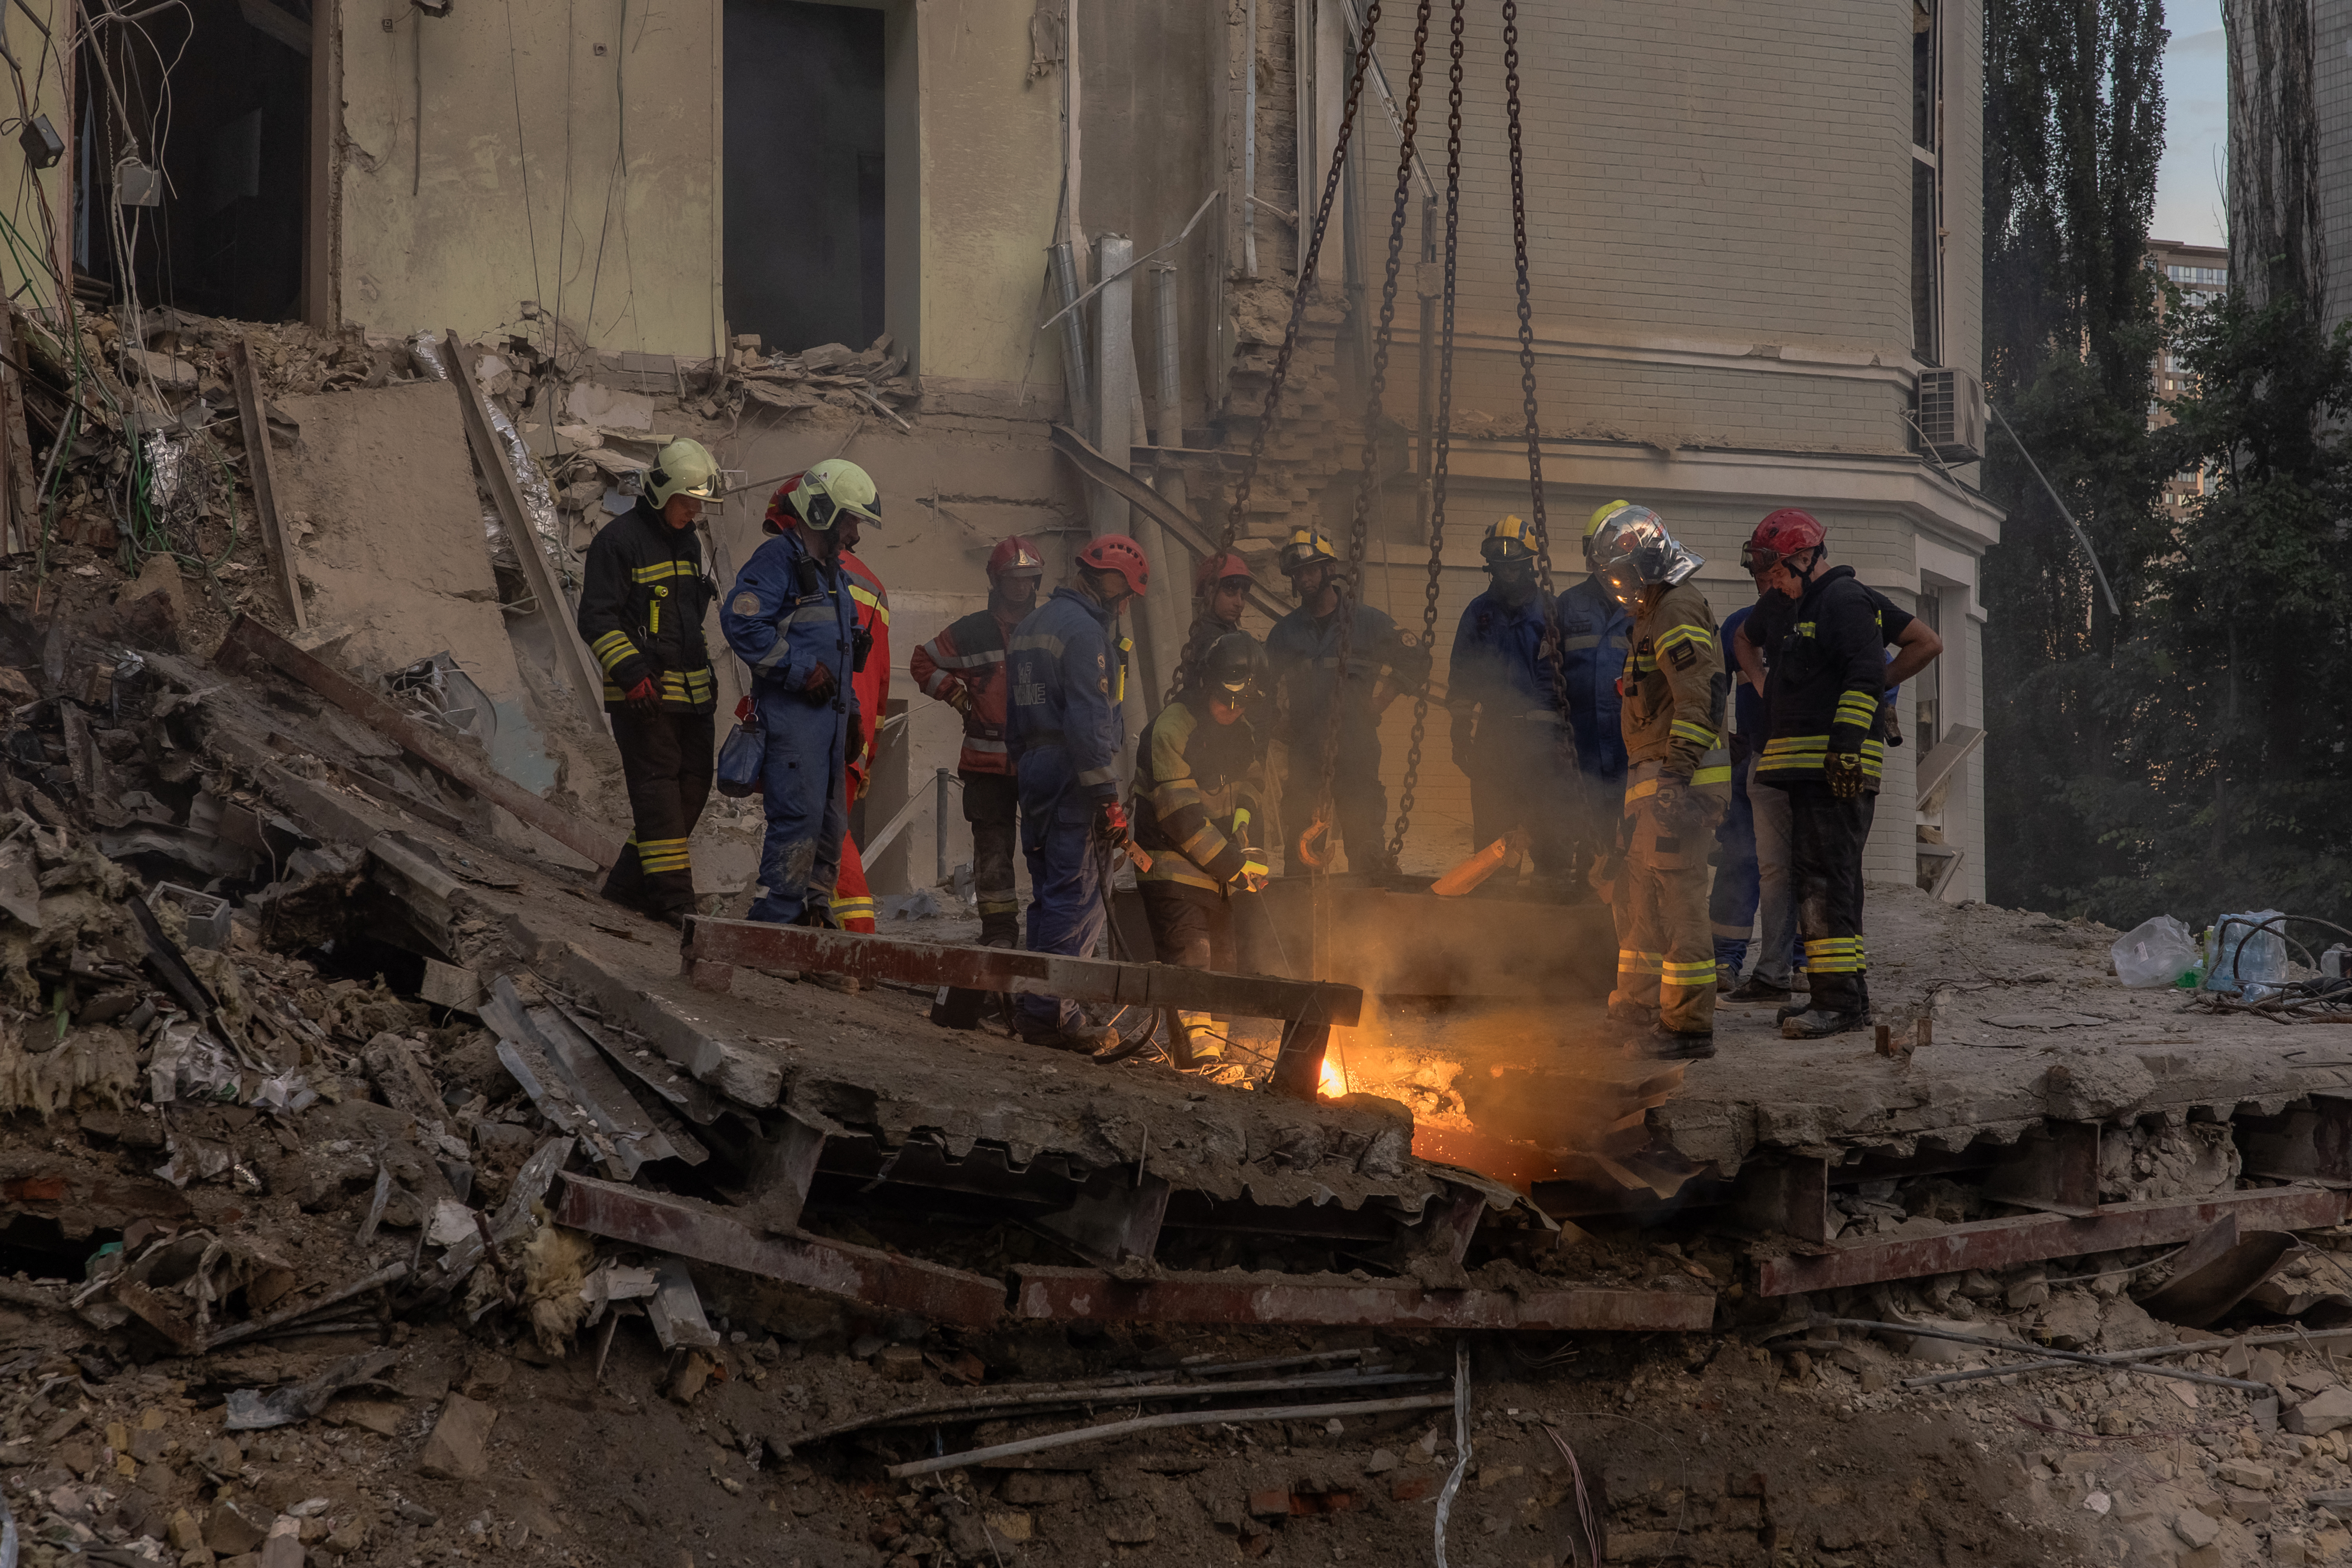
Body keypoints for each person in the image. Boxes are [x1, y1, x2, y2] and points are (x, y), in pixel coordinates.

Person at [1732, 510, 1943, 1008]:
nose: (1773, 584)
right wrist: (1768, 688)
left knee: (1829, 881)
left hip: (1837, 768)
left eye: (1779, 571)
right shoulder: (1789, 604)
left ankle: (1839, 1001)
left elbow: (1865, 675)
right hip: (1803, 769)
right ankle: (1840, 995)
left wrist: (1847, 746)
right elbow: (1748, 637)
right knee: (1819, 878)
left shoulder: (1846, 601)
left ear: (1806, 558)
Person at [1589, 502, 1733, 1059]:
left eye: (1622, 574)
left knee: (1679, 903)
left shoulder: (1676, 608)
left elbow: (1703, 695)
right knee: (1639, 901)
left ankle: (1688, 1026)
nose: (1617, 586)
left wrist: (1675, 778)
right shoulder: (1651, 613)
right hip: (1653, 785)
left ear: (1646, 561)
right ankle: (1637, 1007)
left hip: (1681, 787)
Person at [1004, 534, 1152, 1051]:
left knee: (1047, 892)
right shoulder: (1087, 636)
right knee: (1078, 894)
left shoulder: (1029, 627)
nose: (1128, 602)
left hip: (1035, 769)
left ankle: (1037, 1004)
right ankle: (1053, 1014)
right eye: (1127, 589)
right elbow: (1090, 724)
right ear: (1109, 582)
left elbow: (1012, 719)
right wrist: (1107, 799)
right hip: (1073, 772)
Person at [720, 459, 882, 927]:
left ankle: (812, 911)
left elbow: (846, 653)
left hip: (828, 725)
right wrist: (797, 670)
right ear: (825, 514)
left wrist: (851, 715)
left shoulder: (833, 575)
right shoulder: (777, 562)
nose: (855, 534)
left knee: (830, 825)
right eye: (851, 521)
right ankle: (775, 921)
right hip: (794, 721)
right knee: (797, 820)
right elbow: (743, 623)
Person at [578, 437, 723, 926]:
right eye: (688, 501)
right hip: (644, 698)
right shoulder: (617, 543)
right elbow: (597, 618)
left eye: (700, 503)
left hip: (692, 697)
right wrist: (634, 674)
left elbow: (690, 618)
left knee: (693, 788)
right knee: (658, 793)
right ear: (661, 494)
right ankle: (674, 900)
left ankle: (626, 887)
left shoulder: (689, 543)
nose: (695, 511)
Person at [1132, 631, 1267, 1068]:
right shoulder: (1171, 728)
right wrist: (1234, 865)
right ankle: (1201, 1063)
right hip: (1170, 866)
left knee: (1224, 963)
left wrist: (1245, 824)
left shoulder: (1241, 731)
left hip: (1217, 872)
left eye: (1243, 704)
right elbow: (1181, 818)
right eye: (1227, 702)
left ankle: (1208, 1057)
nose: (1234, 711)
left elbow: (1251, 783)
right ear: (1208, 686)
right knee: (1193, 959)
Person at [1264, 528, 1427, 873]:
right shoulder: (1284, 633)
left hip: (1356, 748)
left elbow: (1417, 659)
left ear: (1329, 569)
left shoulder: (1368, 623)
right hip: (1306, 753)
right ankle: (1300, 921)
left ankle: (1367, 918)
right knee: (1302, 848)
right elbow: (1263, 687)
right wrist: (1277, 724)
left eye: (1311, 570)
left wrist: (1382, 700)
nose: (1304, 579)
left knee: (1365, 838)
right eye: (1297, 573)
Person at [910, 537, 1044, 947]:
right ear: (996, 580)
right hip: (986, 766)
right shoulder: (971, 631)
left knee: (1047, 850)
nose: (1021, 588)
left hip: (1040, 763)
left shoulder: (1049, 627)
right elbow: (922, 661)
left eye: (1027, 579)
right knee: (993, 853)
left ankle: (1050, 929)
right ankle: (1000, 933)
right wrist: (956, 694)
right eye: (1012, 579)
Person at [1447, 515, 1573, 873]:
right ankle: (1493, 919)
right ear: (1491, 565)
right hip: (1494, 738)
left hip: (1544, 742)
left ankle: (1550, 913)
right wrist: (1459, 731)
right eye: (1500, 563)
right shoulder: (1478, 613)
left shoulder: (1551, 612)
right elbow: (1463, 675)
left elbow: (1569, 679)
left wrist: (1567, 737)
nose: (1508, 570)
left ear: (1529, 562)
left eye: (1515, 562)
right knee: (1492, 840)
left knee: (1549, 839)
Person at [1557, 502, 1635, 883]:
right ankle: (1589, 921)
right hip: (1583, 742)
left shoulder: (1650, 607)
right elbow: (1548, 674)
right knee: (1589, 835)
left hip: (1633, 746)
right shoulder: (1568, 605)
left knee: (1636, 841)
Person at [830, 515, 891, 934]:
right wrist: (870, 755)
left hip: (819, 724)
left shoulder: (804, 569)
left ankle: (859, 944)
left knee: (827, 832)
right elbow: (882, 680)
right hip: (858, 734)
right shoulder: (874, 586)